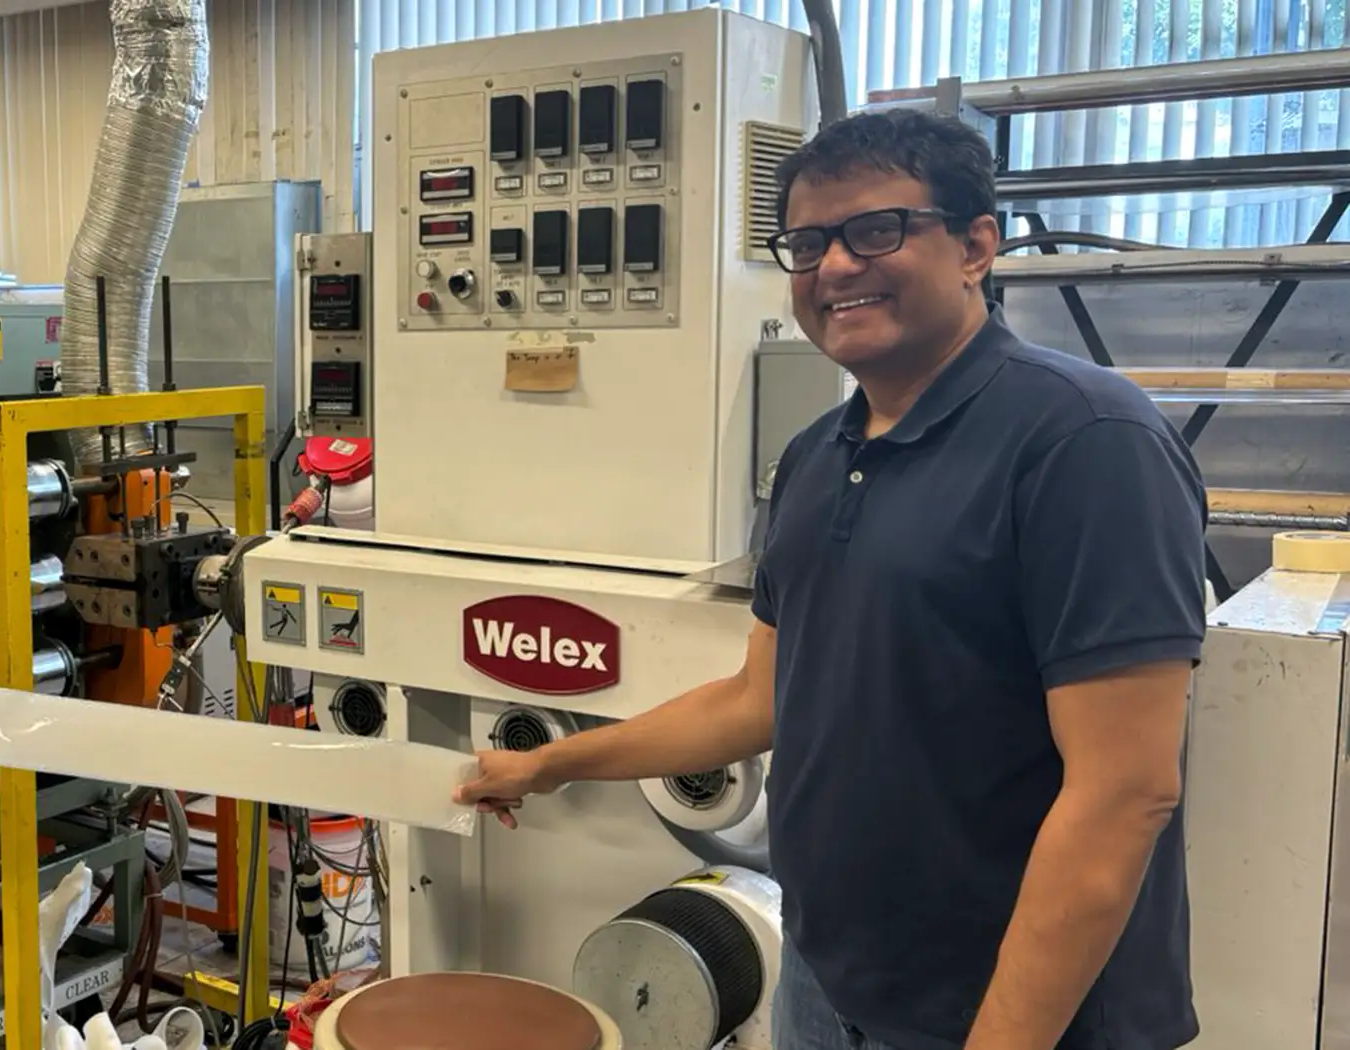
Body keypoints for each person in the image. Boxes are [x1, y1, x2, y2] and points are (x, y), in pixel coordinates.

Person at [455, 108, 1206, 1050]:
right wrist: (551, 764)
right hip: (830, 981)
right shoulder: (817, 458)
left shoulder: (1085, 443)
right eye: (807, 244)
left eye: (877, 230)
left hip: (1016, 1011)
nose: (836, 267)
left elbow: (1124, 792)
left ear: (978, 245)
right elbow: (757, 699)